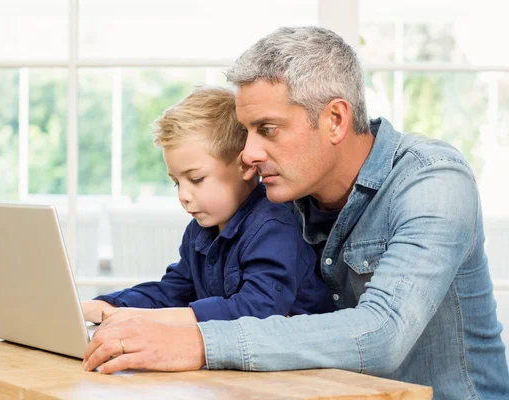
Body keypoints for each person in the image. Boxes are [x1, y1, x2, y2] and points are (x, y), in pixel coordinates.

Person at [82, 27, 509, 399]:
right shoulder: (284, 195)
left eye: (267, 130)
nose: (247, 154)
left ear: (336, 120)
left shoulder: (433, 181)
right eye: (246, 132)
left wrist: (198, 342)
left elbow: (382, 335)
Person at [82, 86, 335, 328]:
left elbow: (256, 311)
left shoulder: (273, 228)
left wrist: (146, 319)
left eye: (196, 179)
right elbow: (173, 291)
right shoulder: (199, 232)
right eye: (176, 183)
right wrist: (107, 306)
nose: (183, 195)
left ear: (245, 166)